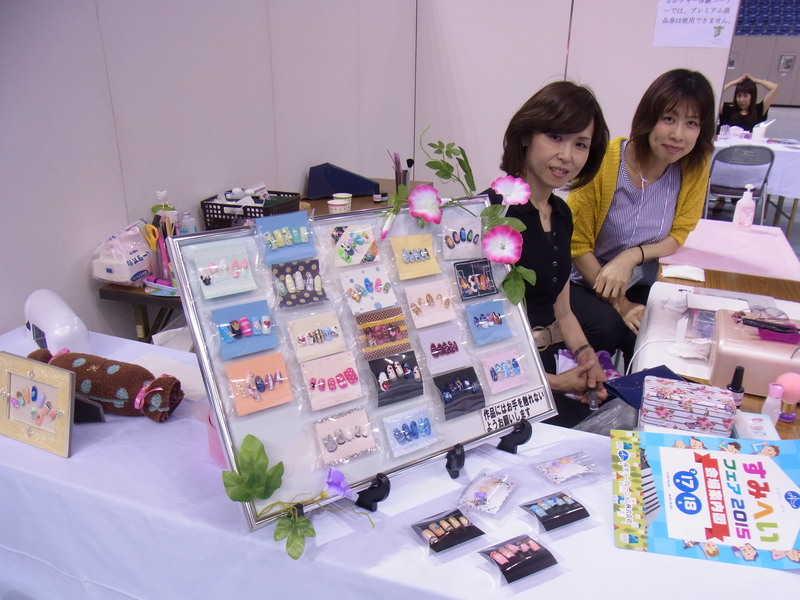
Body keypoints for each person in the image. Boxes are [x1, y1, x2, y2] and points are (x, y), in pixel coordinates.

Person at [567, 68, 716, 366]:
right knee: (609, 326)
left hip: (635, 279)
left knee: (666, 334)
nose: (678, 135)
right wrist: (621, 305)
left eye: (691, 123)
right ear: (648, 117)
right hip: (581, 278)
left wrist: (632, 256)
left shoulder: (693, 166)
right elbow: (576, 245)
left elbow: (678, 234)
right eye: (669, 118)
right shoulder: (605, 160)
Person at [491, 81, 610, 428]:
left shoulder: (561, 213)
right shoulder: (493, 214)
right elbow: (485, 335)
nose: (567, 156)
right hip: (508, 387)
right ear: (526, 136)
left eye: (580, 144)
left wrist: (587, 361)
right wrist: (556, 384)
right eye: (556, 137)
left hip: (544, 371)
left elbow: (564, 311)